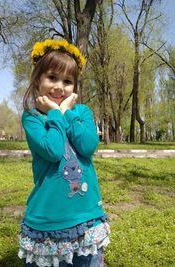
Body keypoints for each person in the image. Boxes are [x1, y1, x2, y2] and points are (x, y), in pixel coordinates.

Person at [18, 39, 110, 267]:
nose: (59, 87)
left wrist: (68, 113)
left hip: (85, 216)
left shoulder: (82, 112)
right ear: (37, 79)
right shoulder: (32, 117)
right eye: (52, 78)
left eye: (67, 81)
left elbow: (88, 146)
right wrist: (55, 114)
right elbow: (53, 150)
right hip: (47, 218)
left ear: (75, 87)